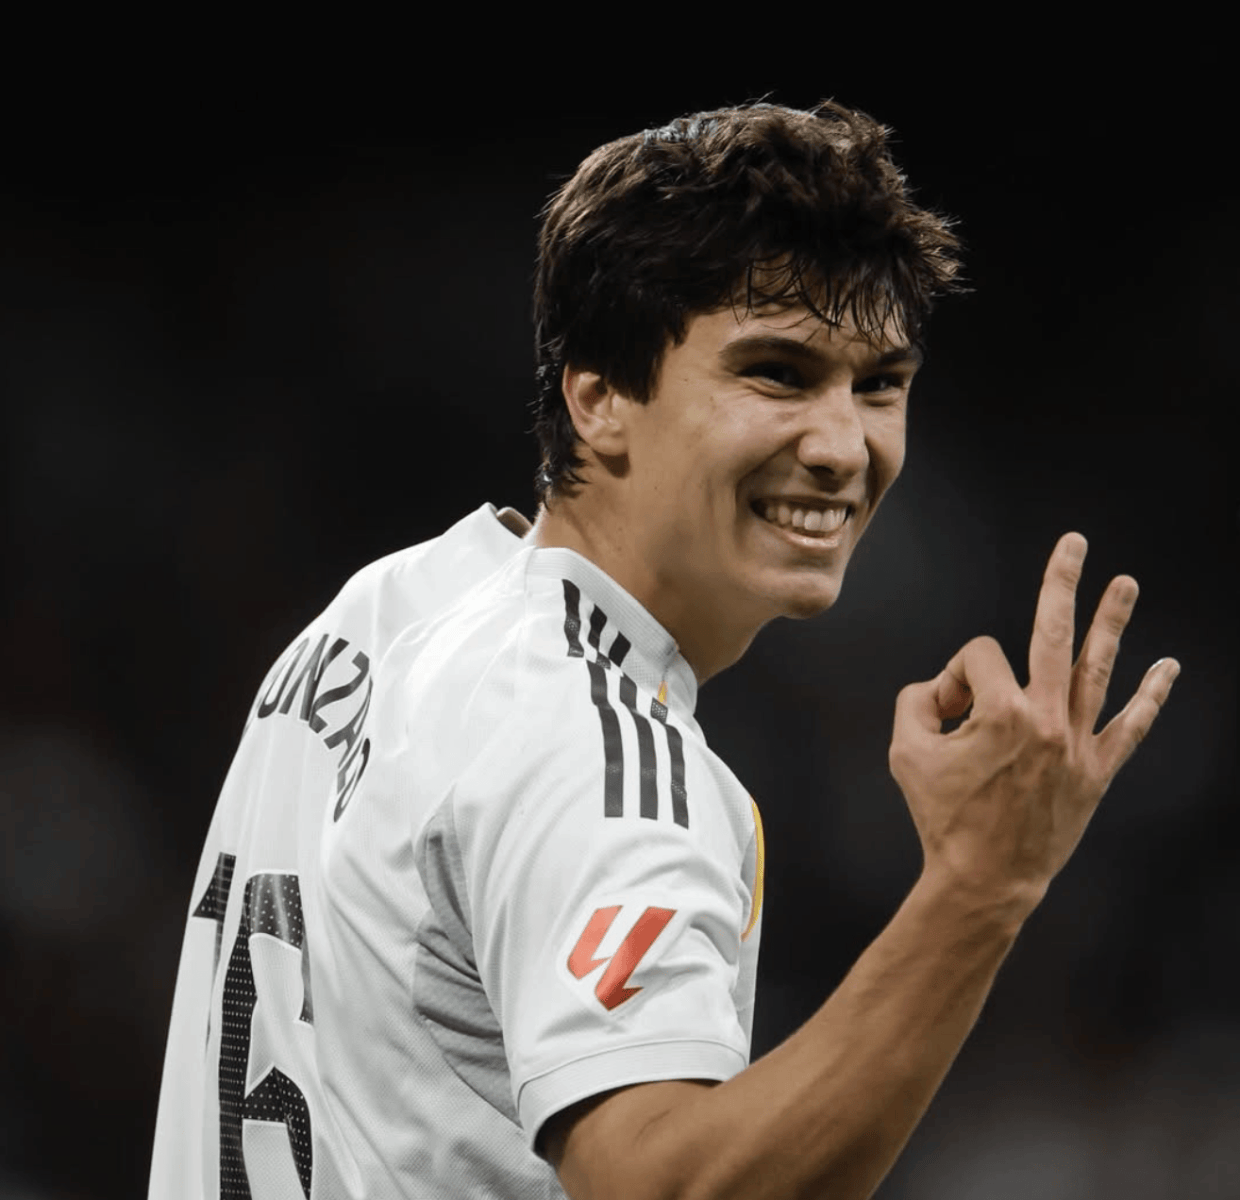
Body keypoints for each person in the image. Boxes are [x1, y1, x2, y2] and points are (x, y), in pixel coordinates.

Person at [147, 100, 1179, 1200]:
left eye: (879, 385)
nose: (844, 447)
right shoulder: (596, 745)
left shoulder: (382, 610)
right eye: (776, 373)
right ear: (598, 397)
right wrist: (983, 884)